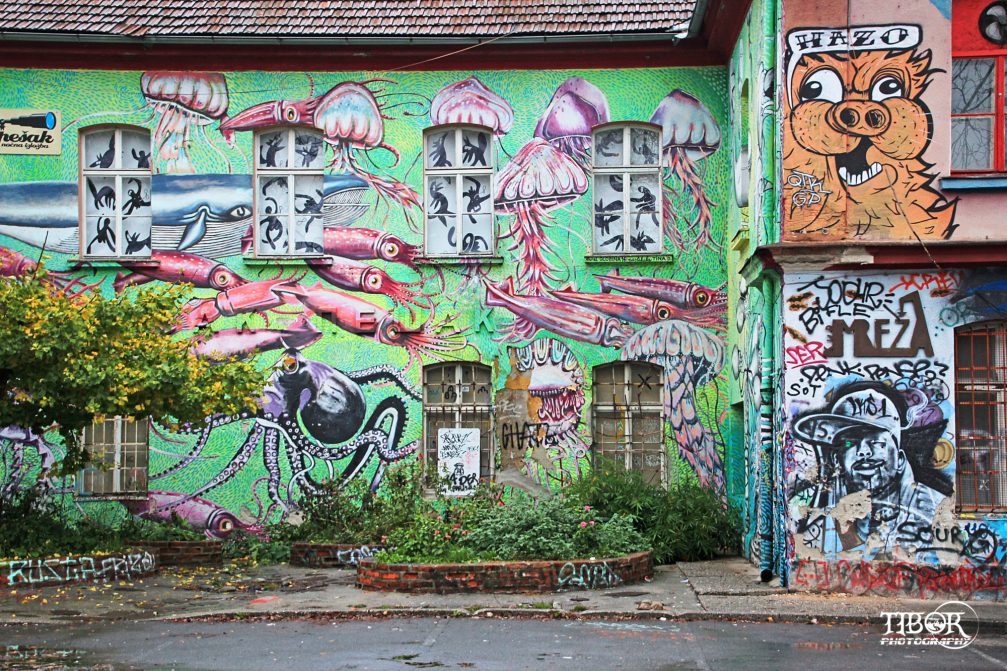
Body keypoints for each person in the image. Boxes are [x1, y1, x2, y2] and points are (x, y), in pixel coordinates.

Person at [793, 382, 942, 558]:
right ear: (836, 459)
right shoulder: (813, 515)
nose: (863, 451)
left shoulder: (933, 511)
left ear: (901, 459)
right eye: (850, 442)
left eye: (877, 443)